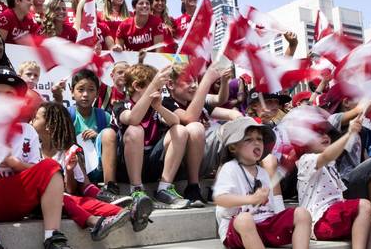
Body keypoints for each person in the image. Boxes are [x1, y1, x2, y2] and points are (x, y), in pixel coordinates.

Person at [0, 67, 73, 249]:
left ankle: (53, 237)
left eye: (10, 95)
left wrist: (13, 162)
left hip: (18, 196)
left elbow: (37, 172)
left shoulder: (28, 130)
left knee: (50, 166)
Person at [32, 102, 131, 242]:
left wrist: (69, 171)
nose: (31, 121)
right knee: (66, 199)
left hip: (64, 199)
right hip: (40, 202)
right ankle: (95, 223)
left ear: (48, 126)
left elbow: (71, 189)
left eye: (36, 118)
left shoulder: (66, 152)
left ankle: (126, 213)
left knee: (83, 201)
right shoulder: (32, 150)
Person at [213, 117, 311, 249]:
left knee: (302, 213)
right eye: (249, 139)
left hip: (265, 223)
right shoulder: (230, 168)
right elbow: (220, 199)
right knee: (245, 219)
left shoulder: (263, 172)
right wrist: (251, 198)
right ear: (233, 147)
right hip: (239, 228)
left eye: (259, 139)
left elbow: (271, 208)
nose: (257, 143)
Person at [296, 115, 371, 248]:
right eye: (318, 134)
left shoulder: (331, 165)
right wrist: (350, 133)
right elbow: (327, 156)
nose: (325, 136)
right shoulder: (306, 160)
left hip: (335, 218)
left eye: (327, 133)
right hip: (319, 222)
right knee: (364, 205)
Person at [113, 64, 190, 212]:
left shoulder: (155, 106)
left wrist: (159, 107)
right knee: (135, 130)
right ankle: (136, 190)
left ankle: (164, 188)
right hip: (127, 167)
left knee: (180, 130)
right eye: (156, 85)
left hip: (152, 163)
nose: (160, 89)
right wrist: (152, 87)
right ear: (137, 86)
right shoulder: (121, 105)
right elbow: (133, 119)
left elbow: (175, 122)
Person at [163, 63, 241, 207]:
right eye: (188, 81)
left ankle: (218, 187)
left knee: (230, 131)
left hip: (200, 160)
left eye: (195, 81)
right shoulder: (166, 103)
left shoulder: (197, 102)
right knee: (196, 128)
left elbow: (225, 107)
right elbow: (188, 118)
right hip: (175, 164)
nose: (193, 85)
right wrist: (206, 81)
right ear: (170, 85)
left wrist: (239, 118)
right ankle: (193, 187)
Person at [67, 69, 129, 206]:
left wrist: (97, 136)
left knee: (108, 133)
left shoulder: (104, 116)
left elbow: (112, 143)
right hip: (75, 169)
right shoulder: (68, 116)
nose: (85, 95)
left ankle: (110, 187)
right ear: (72, 91)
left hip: (99, 169)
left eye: (90, 90)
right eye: (80, 89)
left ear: (96, 93)